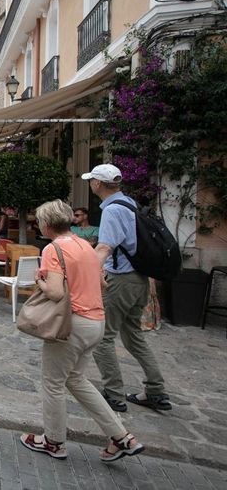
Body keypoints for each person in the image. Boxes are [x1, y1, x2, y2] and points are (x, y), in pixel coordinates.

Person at [20, 200, 145, 463]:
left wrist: (40, 281)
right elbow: (102, 283)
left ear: (46, 224)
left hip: (72, 323)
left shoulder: (54, 249)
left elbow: (55, 292)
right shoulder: (85, 246)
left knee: (53, 383)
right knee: (76, 379)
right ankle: (121, 437)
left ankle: (54, 441)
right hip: (96, 322)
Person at [83, 165, 171, 412]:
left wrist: (86, 274)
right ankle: (156, 390)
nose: (91, 184)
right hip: (140, 278)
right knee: (133, 336)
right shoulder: (130, 203)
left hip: (120, 279)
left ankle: (113, 394)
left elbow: (104, 248)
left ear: (98, 184)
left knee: (103, 338)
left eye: (92, 181)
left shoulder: (112, 210)